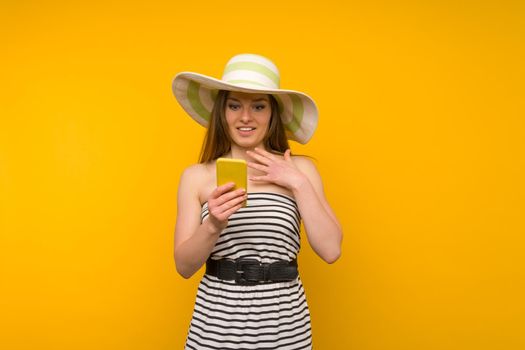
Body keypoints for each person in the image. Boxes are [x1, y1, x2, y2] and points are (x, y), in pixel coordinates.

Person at [171, 53, 342, 350]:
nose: (245, 117)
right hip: (215, 328)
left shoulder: (301, 170)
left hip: (286, 328)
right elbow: (184, 266)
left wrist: (296, 182)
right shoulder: (196, 177)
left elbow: (331, 250)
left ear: (272, 114)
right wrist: (213, 224)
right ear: (222, 113)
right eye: (234, 105)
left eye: (258, 106)